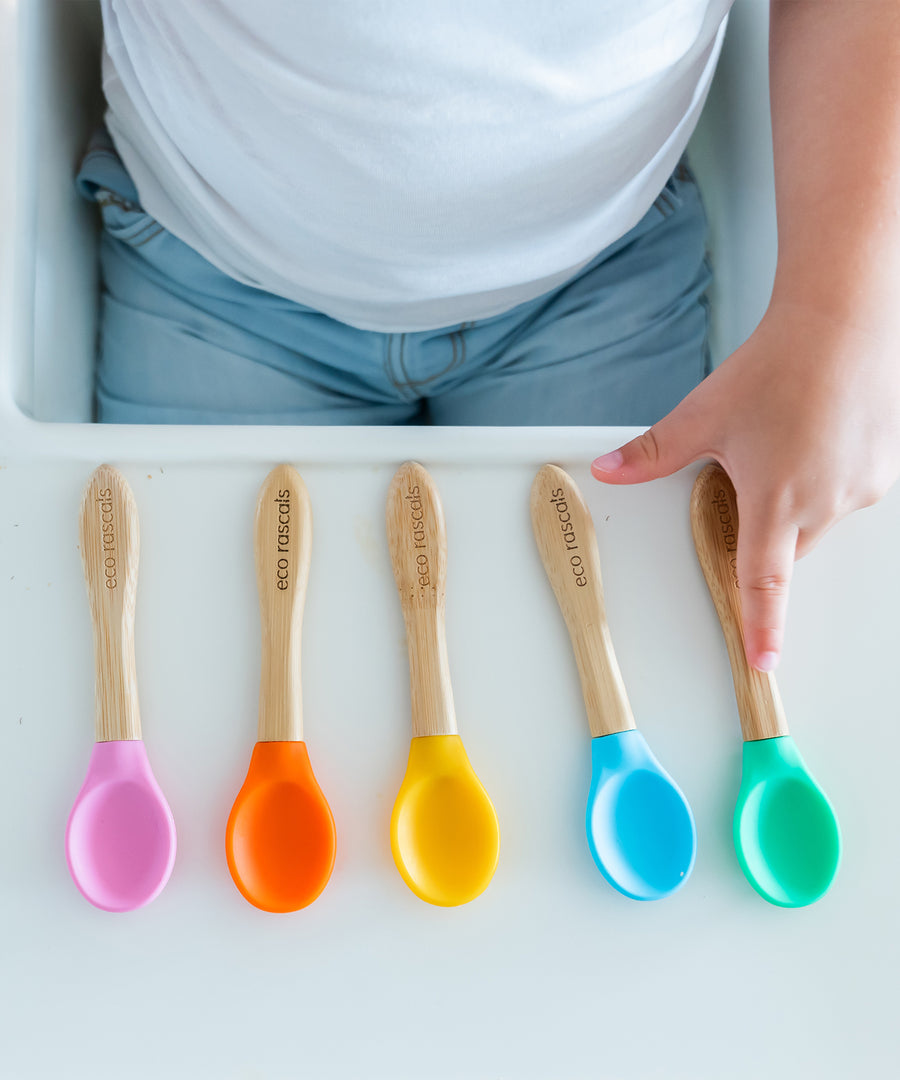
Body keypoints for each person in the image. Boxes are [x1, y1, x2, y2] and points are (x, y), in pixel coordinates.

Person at [80, 1, 900, 676]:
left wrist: (839, 322)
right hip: (213, 268)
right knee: (205, 689)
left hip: (600, 277)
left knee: (627, 680)